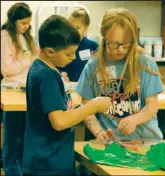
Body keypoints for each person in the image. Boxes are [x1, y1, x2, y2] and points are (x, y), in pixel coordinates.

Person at [22, 14, 112, 176]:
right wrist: (94, 105)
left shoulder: (42, 69)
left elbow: (64, 109)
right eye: (68, 54)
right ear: (49, 51)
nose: (73, 58)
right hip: (48, 164)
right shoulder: (46, 75)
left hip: (49, 160)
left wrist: (96, 129)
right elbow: (60, 121)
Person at [75, 8, 164, 141]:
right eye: (115, 44)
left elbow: (152, 106)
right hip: (113, 144)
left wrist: (135, 119)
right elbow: (86, 106)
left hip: (147, 141)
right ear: (104, 38)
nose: (121, 49)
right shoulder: (93, 66)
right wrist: (98, 131)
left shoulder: (145, 62)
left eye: (127, 43)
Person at [1, 2, 36, 176]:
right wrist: (27, 62)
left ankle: (22, 168)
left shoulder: (27, 36)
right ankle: (11, 170)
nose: (26, 26)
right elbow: (6, 68)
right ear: (13, 20)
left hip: (26, 87)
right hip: (11, 89)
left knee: (25, 134)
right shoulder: (5, 36)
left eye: (28, 22)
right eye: (23, 23)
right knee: (13, 136)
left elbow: (35, 58)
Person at [60, 8, 99, 82]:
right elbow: (57, 66)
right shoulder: (63, 47)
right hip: (70, 86)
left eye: (77, 28)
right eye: (71, 27)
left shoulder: (93, 46)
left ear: (86, 28)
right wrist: (61, 74)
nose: (73, 31)